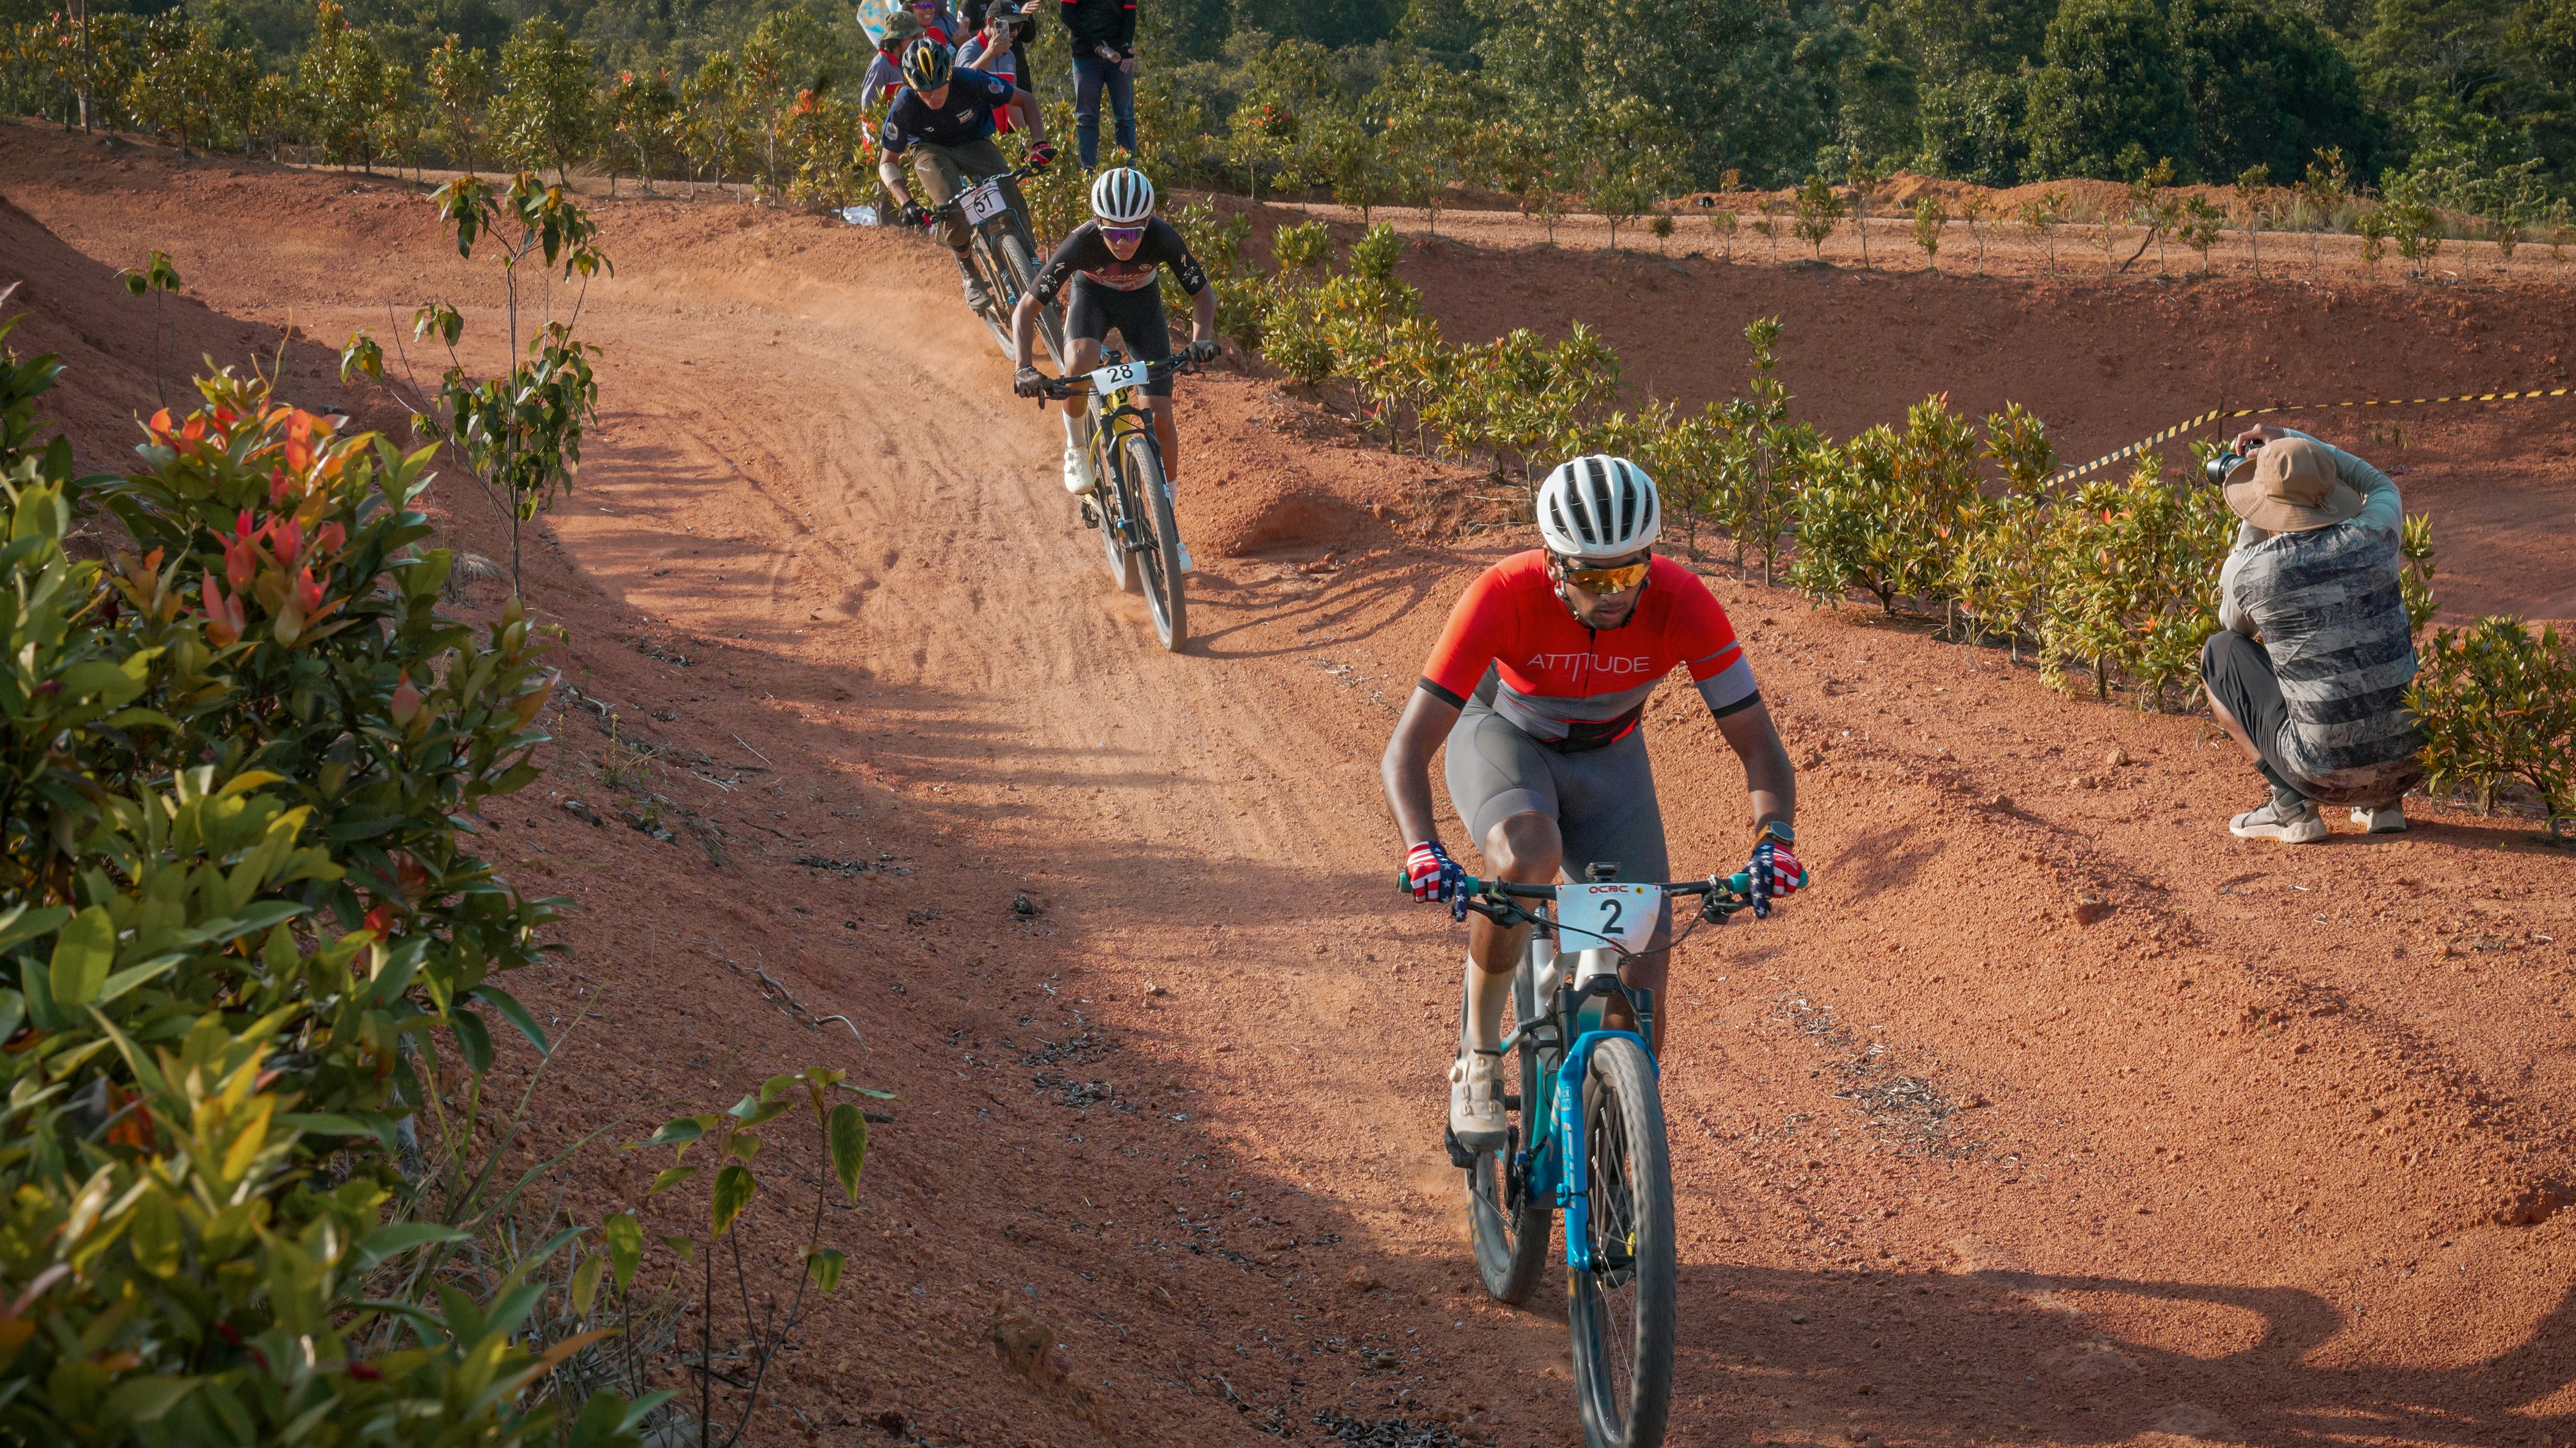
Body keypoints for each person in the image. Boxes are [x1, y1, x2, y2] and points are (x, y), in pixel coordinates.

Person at [1379, 456, 1804, 1151]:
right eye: (1592, 575)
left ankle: (1618, 1162)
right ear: (1551, 562)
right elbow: (1405, 750)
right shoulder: (1502, 593)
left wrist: (1773, 840)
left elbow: (1760, 745)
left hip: (1610, 757)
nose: (1614, 593)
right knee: (1527, 855)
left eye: (1630, 571)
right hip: (1505, 735)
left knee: (1642, 966)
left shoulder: (1682, 600)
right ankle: (1479, 1057)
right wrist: (1422, 847)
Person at [2200, 425, 2424, 843]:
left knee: (2219, 652)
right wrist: (2292, 441)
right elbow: (2376, 481)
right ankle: (2382, 805)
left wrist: (2257, 503)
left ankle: (2291, 808)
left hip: (2320, 773)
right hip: (2407, 766)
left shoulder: (2251, 570)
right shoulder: (2376, 534)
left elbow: (2235, 630)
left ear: (2262, 500)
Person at [1011, 167, 1217, 570]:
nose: (1123, 242)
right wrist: (1022, 366)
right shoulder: (1080, 244)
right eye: (1113, 232)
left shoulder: (1163, 237)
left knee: (1159, 415)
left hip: (1144, 308)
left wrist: (1200, 340)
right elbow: (1025, 310)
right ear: (1097, 223)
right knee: (1079, 360)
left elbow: (1203, 296)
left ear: (1147, 223)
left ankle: (1167, 524)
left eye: (1133, 232)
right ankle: (1075, 449)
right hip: (1092, 301)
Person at [876, 40, 1056, 314]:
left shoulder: (970, 79)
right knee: (951, 205)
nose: (934, 97)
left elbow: (1026, 100)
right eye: (925, 92)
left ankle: (1032, 265)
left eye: (939, 88)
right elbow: (887, 163)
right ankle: (970, 273)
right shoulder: (904, 104)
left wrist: (1039, 145)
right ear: (913, 87)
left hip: (975, 141)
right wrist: (906, 202)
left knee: (1008, 189)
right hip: (929, 149)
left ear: (950, 76)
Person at [1057, 0, 1137, 168]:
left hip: (1118, 56)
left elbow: (1130, 14)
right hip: (1086, 56)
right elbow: (1067, 15)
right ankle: (1088, 173)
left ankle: (1128, 171)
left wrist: (1126, 46)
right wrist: (1096, 45)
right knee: (1087, 117)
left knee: (1125, 116)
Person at [957, 1, 1025, 129]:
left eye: (1019, 26)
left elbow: (1012, 103)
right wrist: (989, 54)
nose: (1015, 32)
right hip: (975, 138)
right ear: (991, 22)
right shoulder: (969, 50)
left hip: (1001, 140)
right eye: (1010, 26)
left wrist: (1028, 141)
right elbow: (963, 87)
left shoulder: (1010, 56)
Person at [857, 8, 927, 107]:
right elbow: (868, 103)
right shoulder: (880, 65)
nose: (917, 41)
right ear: (899, 38)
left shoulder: (907, 61)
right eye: (914, 37)